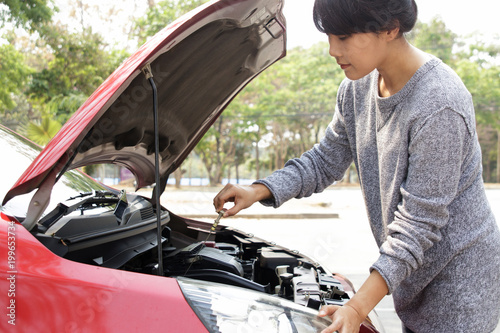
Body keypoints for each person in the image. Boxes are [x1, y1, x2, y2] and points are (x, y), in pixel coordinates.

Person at [213, 0, 500, 332]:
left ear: (390, 28)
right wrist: (258, 189)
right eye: (330, 36)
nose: (333, 50)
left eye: (345, 36)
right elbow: (324, 160)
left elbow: (418, 225)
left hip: (460, 283)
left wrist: (356, 307)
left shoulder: (440, 105)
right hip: (412, 274)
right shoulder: (356, 88)